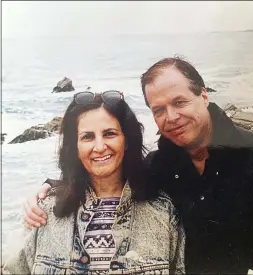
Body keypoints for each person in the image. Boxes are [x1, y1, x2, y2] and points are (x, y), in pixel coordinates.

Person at [23, 57, 253, 274]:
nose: (171, 117)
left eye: (179, 102)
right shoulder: (163, 163)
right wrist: (53, 187)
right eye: (158, 109)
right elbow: (114, 176)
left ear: (203, 95)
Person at [3, 90, 185, 274]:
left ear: (127, 140)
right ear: (75, 147)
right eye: (87, 137)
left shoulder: (163, 212)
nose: (99, 147)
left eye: (109, 134)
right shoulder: (45, 212)